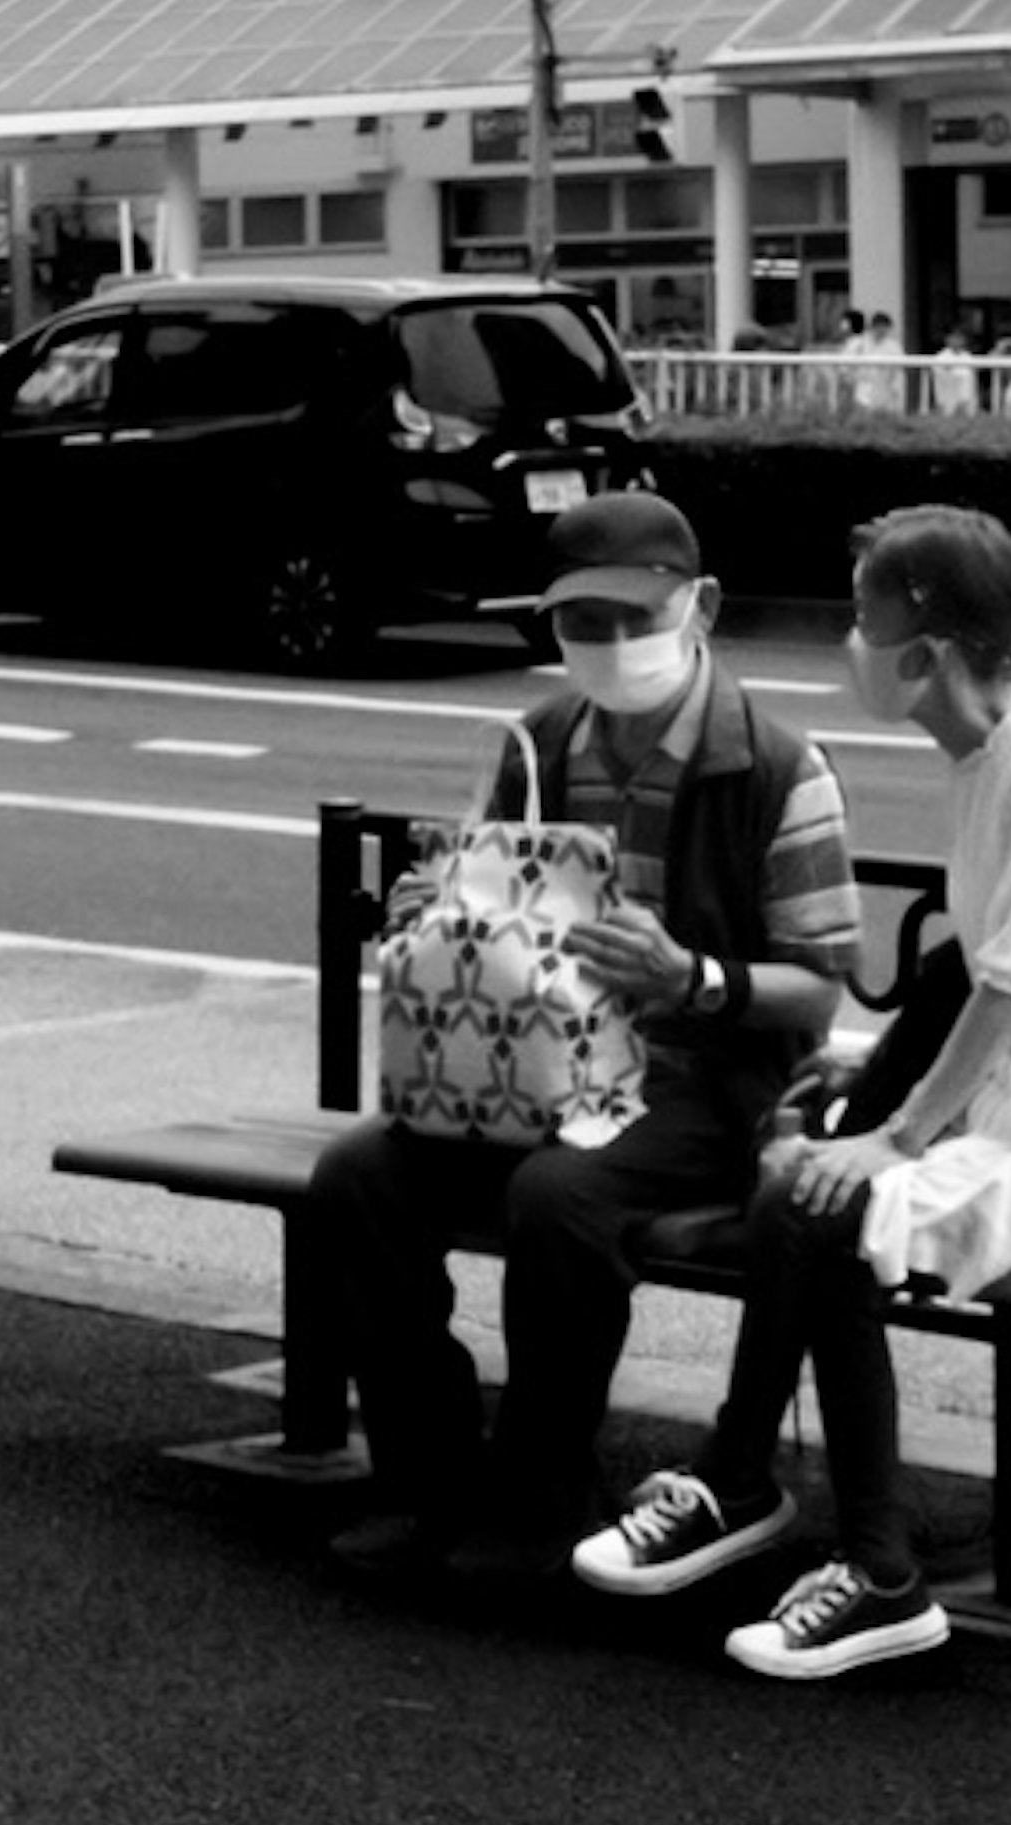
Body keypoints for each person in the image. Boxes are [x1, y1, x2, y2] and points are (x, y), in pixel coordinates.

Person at [571, 506, 1011, 1679]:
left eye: (866, 617)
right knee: (802, 1195)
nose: (850, 641)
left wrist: (895, 1138)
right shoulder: (997, 764)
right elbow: (977, 979)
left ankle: (858, 1558)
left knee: (824, 1205)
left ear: (934, 650)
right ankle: (770, 1496)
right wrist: (867, 1080)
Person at [310, 493, 864, 1583]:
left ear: (699, 606)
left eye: (632, 620)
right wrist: (437, 909)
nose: (609, 649)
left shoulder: (778, 768)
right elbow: (481, 915)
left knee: (559, 1198)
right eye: (581, 627)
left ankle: (539, 1489)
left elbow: (820, 993)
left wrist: (694, 978)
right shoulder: (539, 744)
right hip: (531, 1071)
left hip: (703, 1085)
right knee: (357, 1177)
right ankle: (426, 1475)